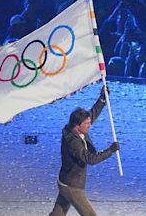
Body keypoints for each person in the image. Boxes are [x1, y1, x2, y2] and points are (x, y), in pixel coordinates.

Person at [49, 86, 120, 216]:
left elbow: (92, 114)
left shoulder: (76, 129)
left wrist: (102, 99)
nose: (90, 125)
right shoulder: (73, 142)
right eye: (86, 124)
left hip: (65, 181)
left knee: (57, 214)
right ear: (77, 126)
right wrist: (110, 150)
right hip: (72, 186)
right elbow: (89, 159)